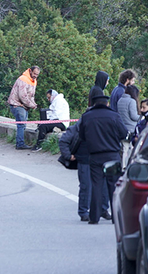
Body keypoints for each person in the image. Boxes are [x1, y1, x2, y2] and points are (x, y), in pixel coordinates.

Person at [78, 87, 128, 224]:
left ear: (94, 104)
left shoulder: (87, 116)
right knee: (113, 186)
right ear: (106, 104)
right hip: (112, 155)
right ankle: (116, 217)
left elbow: (81, 136)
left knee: (96, 185)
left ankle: (94, 217)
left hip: (95, 156)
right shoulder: (114, 116)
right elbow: (124, 133)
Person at [58, 123, 112, 222]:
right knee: (86, 186)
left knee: (104, 185)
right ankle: (84, 212)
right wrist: (68, 155)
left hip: (101, 159)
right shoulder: (79, 125)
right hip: (85, 160)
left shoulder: (102, 122)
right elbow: (63, 141)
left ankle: (103, 209)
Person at [7, 66, 40, 150]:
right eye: (34, 73)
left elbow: (31, 95)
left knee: (23, 124)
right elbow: (23, 96)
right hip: (17, 104)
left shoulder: (34, 81)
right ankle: (20, 144)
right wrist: (31, 105)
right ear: (30, 71)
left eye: (37, 74)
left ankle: (20, 142)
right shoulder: (23, 79)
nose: (35, 76)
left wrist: (34, 103)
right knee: (21, 124)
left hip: (24, 105)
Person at [118, 85, 140, 162]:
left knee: (123, 149)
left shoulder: (120, 100)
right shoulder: (132, 101)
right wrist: (141, 117)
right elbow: (133, 116)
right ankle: (127, 166)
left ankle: (122, 165)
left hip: (122, 128)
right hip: (131, 129)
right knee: (130, 150)